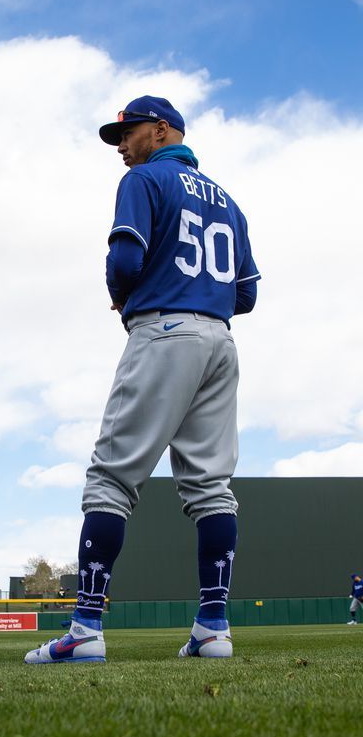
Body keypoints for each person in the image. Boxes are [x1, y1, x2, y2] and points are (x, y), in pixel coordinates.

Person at [25, 96, 260, 665]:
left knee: (110, 479)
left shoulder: (145, 180)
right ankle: (213, 628)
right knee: (211, 487)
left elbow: (126, 262)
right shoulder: (228, 200)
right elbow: (247, 295)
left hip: (164, 331)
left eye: (128, 133)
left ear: (161, 130)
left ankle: (84, 629)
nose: (122, 147)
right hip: (220, 342)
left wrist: (122, 294)